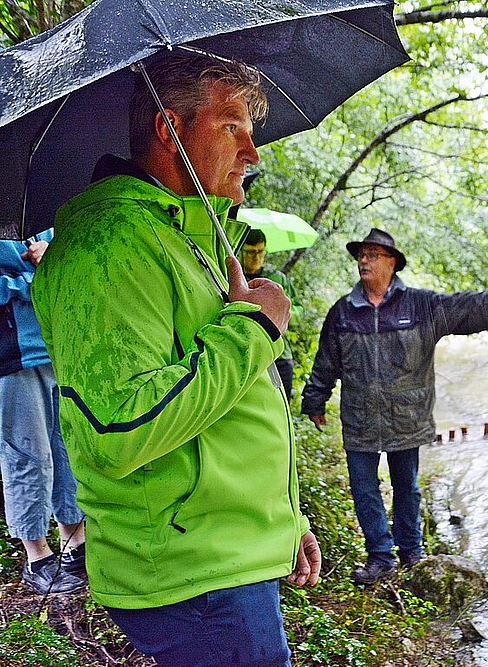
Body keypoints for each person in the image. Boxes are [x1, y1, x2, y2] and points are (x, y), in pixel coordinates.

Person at [32, 52, 320, 667]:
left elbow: (231, 407)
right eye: (231, 127)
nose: (253, 150)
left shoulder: (185, 235)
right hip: (192, 574)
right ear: (170, 129)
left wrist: (282, 522)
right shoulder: (109, 246)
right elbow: (121, 425)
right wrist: (255, 325)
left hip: (225, 557)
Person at [301, 228, 488, 585]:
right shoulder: (343, 312)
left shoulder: (420, 306)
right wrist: (315, 399)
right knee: (364, 488)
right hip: (360, 418)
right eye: (361, 255)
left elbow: (464, 308)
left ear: (392, 262)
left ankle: (412, 552)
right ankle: (380, 557)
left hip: (406, 417)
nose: (363, 261)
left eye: (372, 255)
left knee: (406, 486)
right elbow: (326, 360)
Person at [0, 231, 86, 595]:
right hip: (11, 356)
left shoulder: (40, 215)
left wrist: (54, 257)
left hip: (55, 345)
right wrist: (30, 278)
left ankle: (74, 542)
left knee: (66, 449)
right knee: (27, 455)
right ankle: (37, 556)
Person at [239, 228, 303, 399]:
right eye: (250, 252)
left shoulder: (277, 278)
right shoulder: (235, 278)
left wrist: (280, 314)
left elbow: (298, 312)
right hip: (247, 356)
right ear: (240, 251)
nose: (256, 257)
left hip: (280, 356)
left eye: (260, 251)